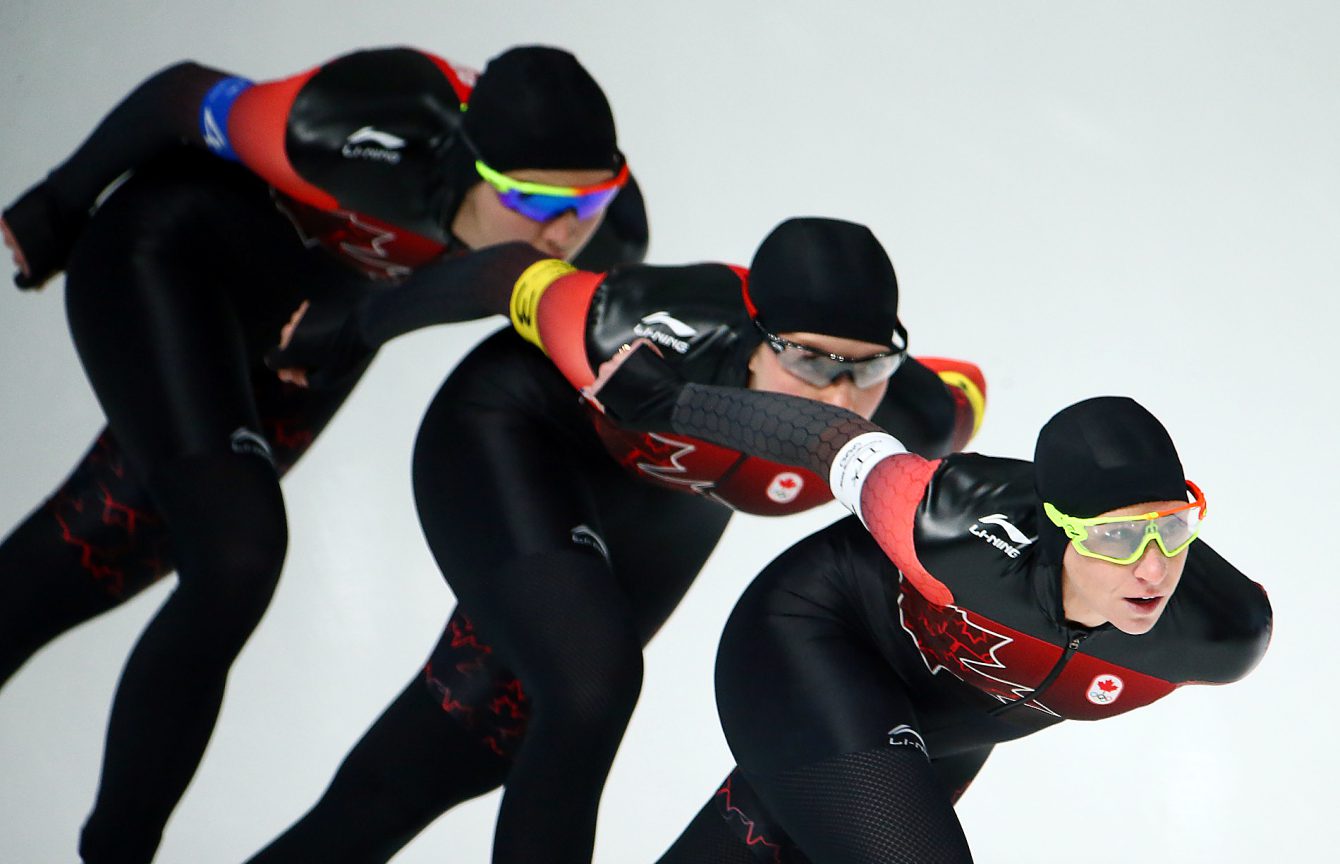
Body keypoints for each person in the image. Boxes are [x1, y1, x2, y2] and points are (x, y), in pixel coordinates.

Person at [0, 44, 642, 864]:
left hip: (317, 327)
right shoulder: (361, 119)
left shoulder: (605, 228)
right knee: (235, 558)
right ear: (465, 165)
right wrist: (59, 201)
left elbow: (510, 279)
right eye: (530, 198)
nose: (565, 230)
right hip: (169, 260)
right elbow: (182, 94)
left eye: (592, 200)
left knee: (91, 542)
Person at [244, 216, 987, 864]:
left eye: (869, 368)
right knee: (589, 686)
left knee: (455, 747)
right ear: (754, 334)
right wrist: (350, 327)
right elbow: (510, 275)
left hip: (666, 506)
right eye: (807, 360)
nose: (839, 398)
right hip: (516, 436)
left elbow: (968, 389)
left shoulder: (912, 416)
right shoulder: (645, 324)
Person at [588, 348, 1273, 863]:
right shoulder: (948, 521)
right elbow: (832, 439)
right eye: (1117, 538)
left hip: (950, 728)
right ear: (1055, 529)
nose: (1153, 568)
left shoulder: (1222, 630)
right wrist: (668, 400)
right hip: (815, 640)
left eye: (1174, 528)